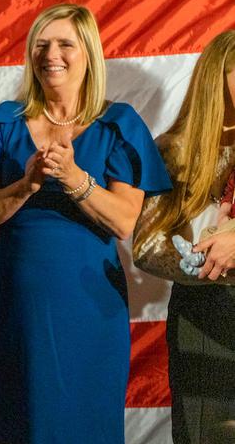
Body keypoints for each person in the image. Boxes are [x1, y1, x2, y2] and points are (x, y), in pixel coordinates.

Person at [0, 3, 171, 443]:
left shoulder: (119, 124)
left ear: (88, 53)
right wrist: (27, 184)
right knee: (21, 425)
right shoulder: (4, 121)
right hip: (16, 302)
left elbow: (125, 221)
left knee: (84, 425)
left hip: (88, 306)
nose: (51, 54)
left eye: (64, 44)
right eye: (41, 44)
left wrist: (75, 179)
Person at [134, 31, 235, 443]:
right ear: (218, 77)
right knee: (205, 434)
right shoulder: (175, 150)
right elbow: (147, 245)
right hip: (204, 316)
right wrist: (204, 262)